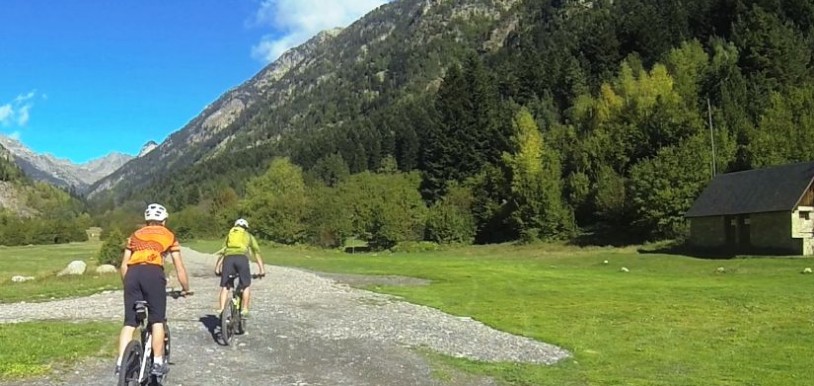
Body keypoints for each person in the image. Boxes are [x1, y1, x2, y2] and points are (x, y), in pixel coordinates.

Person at [116, 203, 191, 377]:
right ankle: (157, 361)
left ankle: (121, 362)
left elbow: (123, 265)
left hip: (133, 274)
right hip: (153, 273)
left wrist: (127, 284)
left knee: (129, 322)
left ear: (147, 221)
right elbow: (179, 267)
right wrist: (185, 288)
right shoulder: (169, 235)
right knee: (157, 319)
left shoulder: (134, 235)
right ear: (163, 221)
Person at [215, 218, 265, 318]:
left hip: (228, 259)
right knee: (246, 285)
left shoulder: (230, 235)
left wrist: (217, 267)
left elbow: (223, 251)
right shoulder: (248, 236)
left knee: (225, 286)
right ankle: (245, 310)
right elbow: (256, 253)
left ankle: (221, 310)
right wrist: (261, 270)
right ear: (246, 228)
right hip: (241, 259)